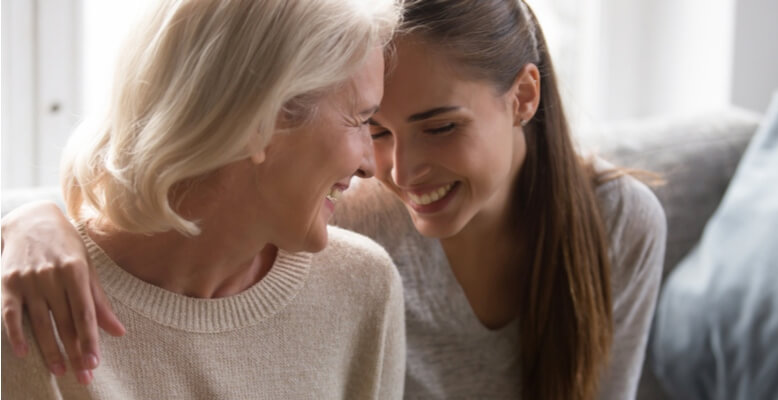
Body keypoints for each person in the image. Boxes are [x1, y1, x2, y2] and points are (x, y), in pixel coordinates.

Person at [1, 0, 666, 399]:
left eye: (440, 126)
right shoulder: (347, 217)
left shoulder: (353, 272)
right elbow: (172, 200)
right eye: (371, 126)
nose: (390, 169)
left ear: (524, 97)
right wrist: (25, 219)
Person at [0, 0, 406, 398]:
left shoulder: (362, 287)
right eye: (359, 120)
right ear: (261, 120)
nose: (371, 165)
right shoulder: (29, 305)